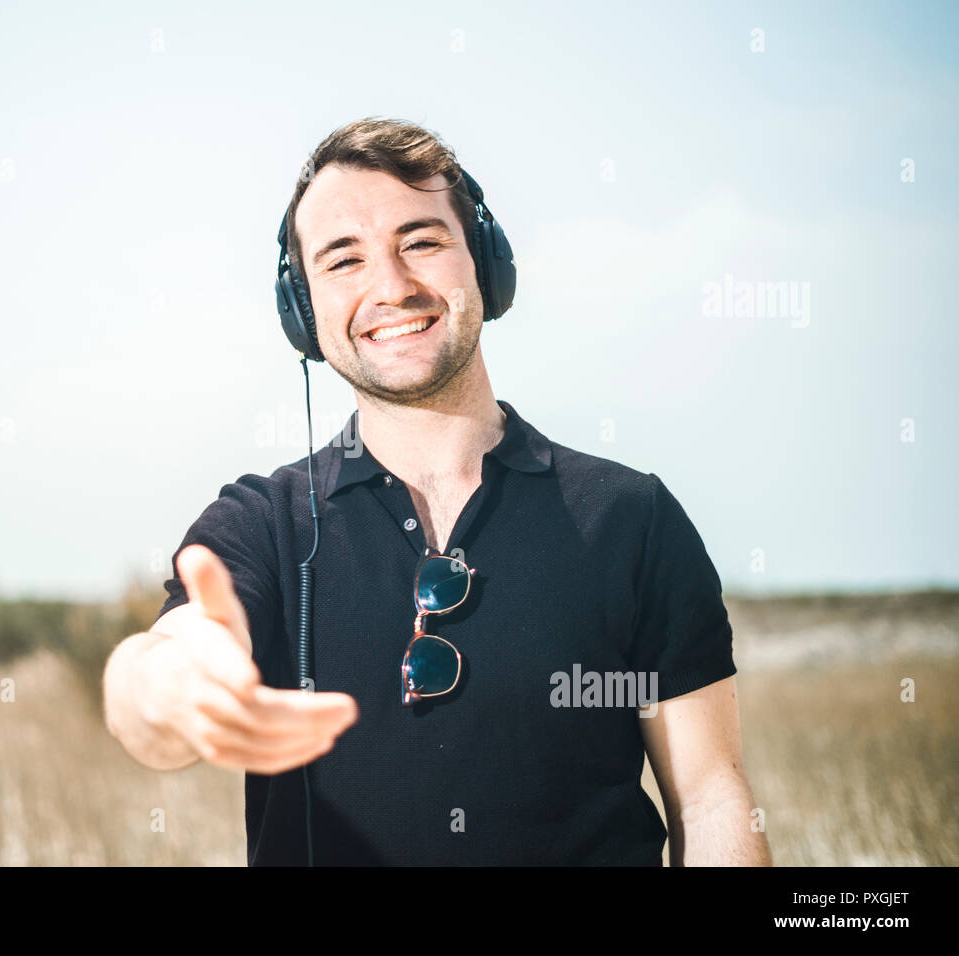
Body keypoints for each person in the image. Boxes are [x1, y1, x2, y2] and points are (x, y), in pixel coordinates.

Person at [103, 116, 772, 866]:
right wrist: (171, 689)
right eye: (343, 260)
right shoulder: (262, 525)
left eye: (421, 241)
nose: (391, 287)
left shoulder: (631, 518)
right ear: (303, 310)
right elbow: (153, 682)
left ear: (484, 263)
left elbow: (711, 796)